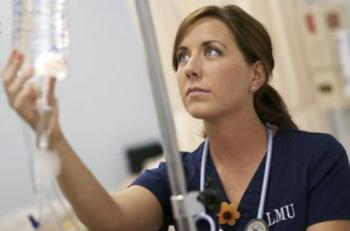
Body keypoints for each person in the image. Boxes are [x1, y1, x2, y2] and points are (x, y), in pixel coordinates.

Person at [1, 4, 350, 231]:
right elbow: (110, 222)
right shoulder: (179, 178)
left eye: (211, 51)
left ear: (255, 75)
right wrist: (53, 135)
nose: (190, 69)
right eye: (182, 57)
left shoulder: (316, 158)